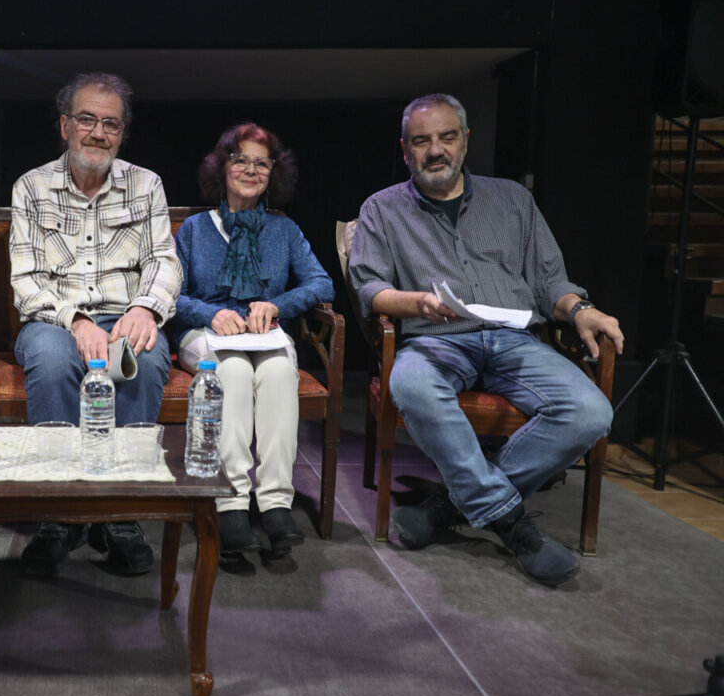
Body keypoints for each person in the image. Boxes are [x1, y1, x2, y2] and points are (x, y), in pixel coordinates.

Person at [347, 93, 624, 586]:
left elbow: (550, 281)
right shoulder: (382, 209)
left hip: (514, 340)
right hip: (435, 339)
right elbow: (369, 289)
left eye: (447, 137)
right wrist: (417, 303)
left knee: (591, 412)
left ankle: (448, 506)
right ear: (406, 149)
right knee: (410, 384)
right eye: (422, 141)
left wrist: (582, 309)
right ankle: (513, 525)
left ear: (466, 140)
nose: (436, 150)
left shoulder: (512, 200)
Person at [9, 72, 181, 577]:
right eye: (87, 119)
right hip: (54, 319)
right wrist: (76, 320)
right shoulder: (31, 187)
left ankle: (120, 512)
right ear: (65, 126)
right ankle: (59, 512)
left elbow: (164, 261)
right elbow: (25, 280)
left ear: (122, 133)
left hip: (125, 313)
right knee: (52, 357)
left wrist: (145, 308)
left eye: (111, 124)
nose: (98, 133)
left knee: (145, 356)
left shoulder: (146, 184)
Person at [169, 123, 333, 557]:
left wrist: (276, 305)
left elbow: (321, 283)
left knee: (279, 372)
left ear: (273, 173)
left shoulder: (284, 230)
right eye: (240, 159)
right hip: (206, 334)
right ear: (221, 168)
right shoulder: (195, 229)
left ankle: (276, 502)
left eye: (261, 163)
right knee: (233, 372)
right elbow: (170, 295)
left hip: (264, 336)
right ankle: (230, 503)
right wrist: (211, 313)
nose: (250, 169)